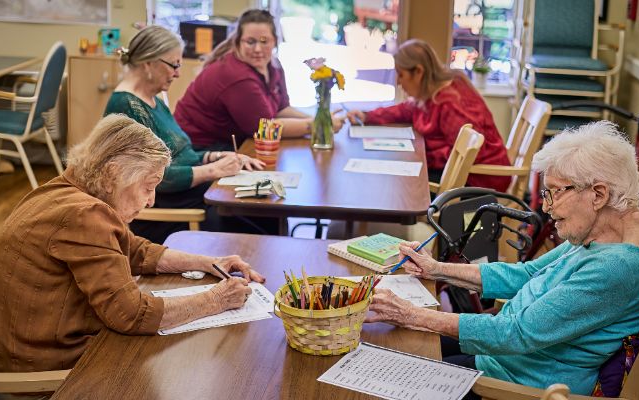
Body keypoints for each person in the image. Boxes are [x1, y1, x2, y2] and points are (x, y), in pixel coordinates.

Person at [365, 121, 639, 395]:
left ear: (599, 194)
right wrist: (435, 270)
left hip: (521, 380)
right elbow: (526, 275)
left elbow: (517, 334)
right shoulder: (612, 227)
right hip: (509, 351)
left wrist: (411, 314)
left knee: (387, 365)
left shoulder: (617, 267)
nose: (546, 207)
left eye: (553, 192)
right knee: (386, 343)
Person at [0, 115, 265, 381]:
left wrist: (208, 263)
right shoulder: (84, 215)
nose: (151, 201)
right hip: (50, 374)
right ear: (113, 174)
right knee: (195, 367)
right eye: (148, 187)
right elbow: (131, 315)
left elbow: (136, 251)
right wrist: (215, 300)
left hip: (39, 354)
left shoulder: (67, 191)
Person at [105, 25, 267, 243]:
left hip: (187, 198)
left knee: (264, 213)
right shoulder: (126, 105)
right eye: (174, 65)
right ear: (149, 63)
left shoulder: (152, 100)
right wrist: (213, 170)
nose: (178, 73)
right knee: (256, 229)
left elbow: (182, 154)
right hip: (164, 215)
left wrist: (219, 157)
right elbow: (159, 179)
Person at [345, 39, 510, 191]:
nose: (398, 82)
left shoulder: (451, 102)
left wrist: (422, 153)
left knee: (394, 186)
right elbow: (405, 110)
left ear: (418, 72)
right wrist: (367, 116)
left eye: (401, 74)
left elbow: (468, 154)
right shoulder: (430, 93)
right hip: (457, 172)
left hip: (478, 182)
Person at [173, 9, 344, 151]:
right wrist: (318, 125)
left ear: (275, 41)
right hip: (198, 149)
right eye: (250, 42)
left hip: (230, 143)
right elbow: (264, 128)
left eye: (264, 41)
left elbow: (282, 109)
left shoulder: (274, 65)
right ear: (238, 42)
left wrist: (320, 118)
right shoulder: (237, 76)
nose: (257, 49)